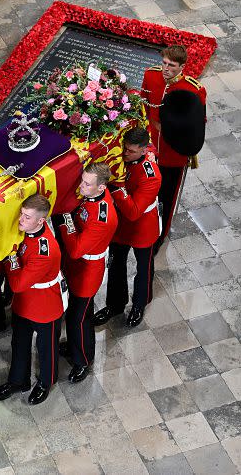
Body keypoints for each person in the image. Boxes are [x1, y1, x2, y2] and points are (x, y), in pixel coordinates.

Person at [0, 194, 64, 406]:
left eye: (27, 217)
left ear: (40, 221)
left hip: (44, 306)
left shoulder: (45, 250)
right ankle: (18, 381)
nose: (21, 220)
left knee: (46, 347)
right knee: (19, 342)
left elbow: (17, 284)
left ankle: (46, 382)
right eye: (21, 214)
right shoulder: (25, 233)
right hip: (24, 303)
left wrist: (11, 257)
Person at [140, 45, 207, 253]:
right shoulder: (151, 76)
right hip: (149, 148)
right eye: (164, 63)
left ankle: (160, 234)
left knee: (166, 198)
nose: (166, 69)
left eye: (172, 65)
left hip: (173, 154)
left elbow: (198, 122)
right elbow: (143, 103)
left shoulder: (194, 89)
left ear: (182, 67)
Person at [94, 128, 162, 328]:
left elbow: (134, 211)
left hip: (142, 226)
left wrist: (117, 187)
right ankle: (115, 304)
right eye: (125, 149)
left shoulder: (151, 175)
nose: (125, 154)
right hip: (121, 224)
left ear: (143, 150)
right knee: (116, 264)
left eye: (131, 151)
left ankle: (139, 304)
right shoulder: (123, 156)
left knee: (143, 268)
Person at [58, 163, 118, 383]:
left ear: (101, 188)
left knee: (79, 318)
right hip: (79, 267)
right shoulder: (94, 198)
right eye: (82, 180)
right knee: (76, 314)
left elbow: (75, 250)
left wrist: (65, 221)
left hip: (87, 271)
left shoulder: (102, 219)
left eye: (87, 184)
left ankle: (83, 359)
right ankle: (75, 346)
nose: (81, 186)